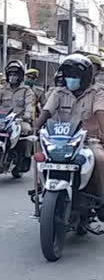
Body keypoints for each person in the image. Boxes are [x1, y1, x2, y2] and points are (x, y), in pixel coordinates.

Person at [35, 54, 104, 201]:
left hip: (88, 141)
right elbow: (47, 111)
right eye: (68, 75)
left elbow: (99, 111)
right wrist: (36, 127)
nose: (70, 79)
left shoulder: (97, 92)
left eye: (75, 75)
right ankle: (41, 185)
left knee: (100, 158)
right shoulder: (58, 92)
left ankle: (101, 197)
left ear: (85, 77)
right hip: (61, 140)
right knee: (40, 154)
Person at [0, 60, 35, 172]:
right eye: (10, 74)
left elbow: (30, 105)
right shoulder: (2, 89)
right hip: (3, 120)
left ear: (20, 76)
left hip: (19, 120)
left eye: (15, 74)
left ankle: (24, 158)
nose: (12, 77)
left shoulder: (26, 90)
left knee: (26, 131)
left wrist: (27, 115)